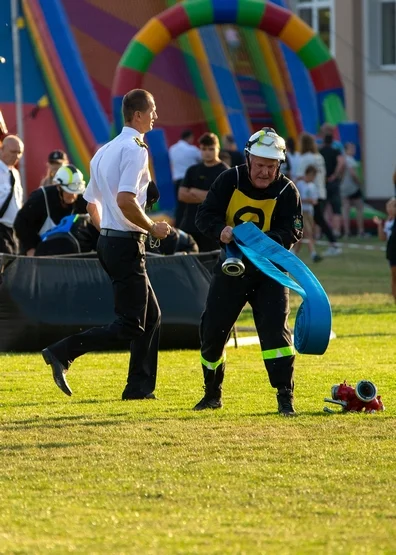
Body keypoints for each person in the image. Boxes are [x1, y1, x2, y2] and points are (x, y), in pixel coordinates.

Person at [42, 89, 172, 399]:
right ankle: (63, 352)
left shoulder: (103, 150)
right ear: (137, 115)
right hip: (125, 244)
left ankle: (139, 388)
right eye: (152, 110)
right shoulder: (136, 149)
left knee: (150, 316)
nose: (156, 115)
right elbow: (125, 200)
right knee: (131, 324)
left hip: (110, 242)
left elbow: (91, 205)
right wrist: (153, 227)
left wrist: (109, 233)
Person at [193, 127, 303, 416]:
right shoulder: (229, 179)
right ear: (248, 159)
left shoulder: (287, 190)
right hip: (232, 268)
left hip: (270, 272)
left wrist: (263, 242)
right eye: (260, 165)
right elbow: (204, 216)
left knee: (276, 337)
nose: (265, 172)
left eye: (271, 166)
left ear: (279, 165)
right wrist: (222, 231)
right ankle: (212, 393)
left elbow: (293, 230)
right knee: (212, 330)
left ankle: (285, 397)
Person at [14, 163, 88, 256]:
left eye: (76, 192)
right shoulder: (41, 198)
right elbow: (21, 223)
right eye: (69, 191)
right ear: (58, 187)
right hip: (40, 253)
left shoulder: (82, 201)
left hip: (69, 256)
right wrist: (30, 248)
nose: (73, 195)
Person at [178, 132, 229, 252]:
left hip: (213, 228)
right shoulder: (193, 170)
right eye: (204, 149)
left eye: (211, 149)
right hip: (190, 225)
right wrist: (209, 196)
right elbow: (182, 195)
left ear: (218, 149)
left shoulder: (225, 172)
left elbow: (223, 200)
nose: (207, 152)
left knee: (210, 263)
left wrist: (194, 191)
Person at [296, 133, 341, 256]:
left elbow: (301, 176)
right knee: (318, 220)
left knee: (317, 220)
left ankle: (333, 244)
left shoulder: (305, 158)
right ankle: (322, 245)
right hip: (321, 191)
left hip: (309, 193)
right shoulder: (319, 157)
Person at [169, 130, 201, 227]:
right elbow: (202, 159)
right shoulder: (192, 149)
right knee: (193, 205)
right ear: (189, 137)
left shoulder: (172, 149)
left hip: (178, 181)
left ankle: (178, 228)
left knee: (180, 207)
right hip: (190, 181)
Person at [0, 135, 24, 254]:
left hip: (13, 230)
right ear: (2, 149)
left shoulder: (15, 173)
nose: (17, 156)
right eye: (13, 152)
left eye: (19, 152)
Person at [294, 165, 322, 262]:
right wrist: (307, 200)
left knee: (301, 235)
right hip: (300, 213)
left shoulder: (312, 186)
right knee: (307, 233)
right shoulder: (300, 184)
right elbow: (296, 198)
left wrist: (312, 201)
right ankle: (313, 254)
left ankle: (294, 253)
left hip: (309, 212)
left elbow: (315, 200)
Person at [320, 134, 345, 237]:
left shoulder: (320, 152)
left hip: (322, 183)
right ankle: (336, 231)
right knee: (336, 209)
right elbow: (341, 162)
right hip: (333, 183)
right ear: (332, 142)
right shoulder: (335, 151)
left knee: (322, 209)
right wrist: (335, 175)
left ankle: (322, 232)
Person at [373, 197, 396, 302]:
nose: (388, 209)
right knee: (394, 276)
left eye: (391, 206)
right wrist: (379, 226)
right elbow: (382, 238)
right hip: (392, 252)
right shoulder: (389, 222)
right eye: (388, 206)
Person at [340, 143, 365, 237]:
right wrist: (359, 182)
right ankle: (361, 230)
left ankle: (346, 231)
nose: (353, 150)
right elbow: (353, 174)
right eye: (352, 148)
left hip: (343, 187)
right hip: (352, 187)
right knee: (359, 208)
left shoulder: (342, 159)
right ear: (347, 149)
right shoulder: (350, 160)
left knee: (345, 210)